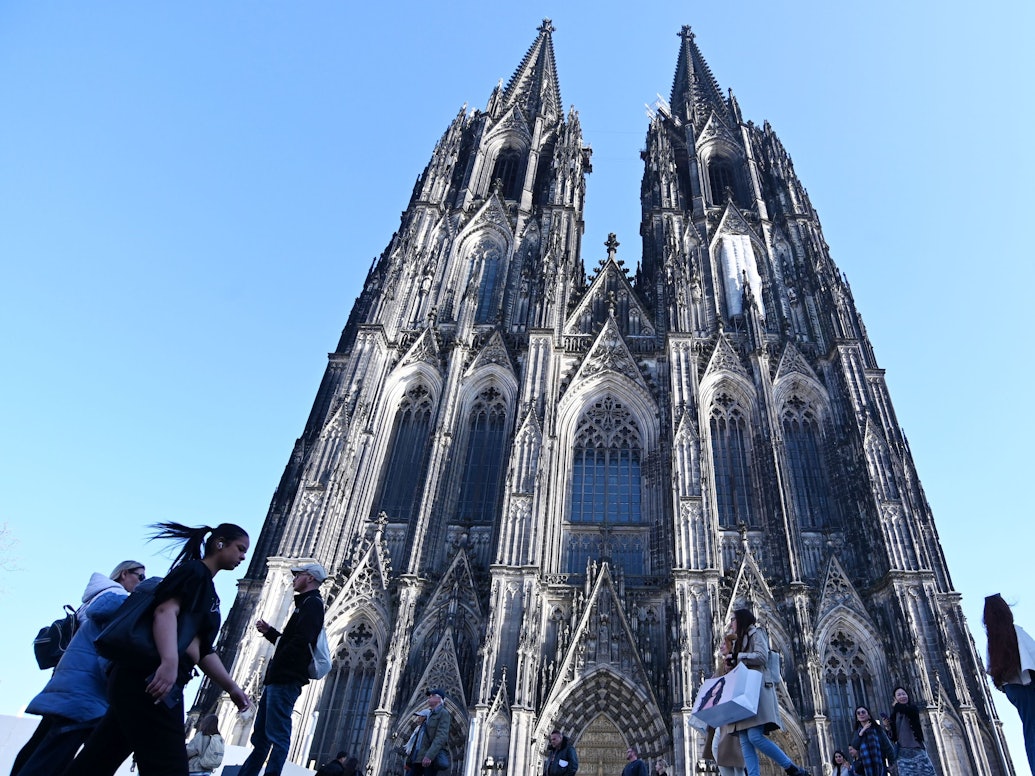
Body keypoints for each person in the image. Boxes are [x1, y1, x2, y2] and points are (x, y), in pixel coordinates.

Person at [64, 522, 251, 776]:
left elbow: (202, 650)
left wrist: (232, 688)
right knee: (169, 767)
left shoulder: (207, 588)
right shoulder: (194, 572)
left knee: (96, 762)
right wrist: (169, 662)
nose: (243, 556)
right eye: (240, 548)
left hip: (144, 679)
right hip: (152, 680)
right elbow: (165, 611)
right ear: (220, 543)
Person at [11, 560, 145, 776]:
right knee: (58, 750)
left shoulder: (94, 596)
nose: (140, 583)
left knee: (43, 743)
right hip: (85, 679)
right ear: (123, 574)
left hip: (70, 673)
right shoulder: (114, 596)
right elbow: (105, 639)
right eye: (140, 577)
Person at [238, 562, 327, 776]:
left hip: (286, 678)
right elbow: (292, 641)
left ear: (310, 578)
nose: (294, 578)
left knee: (277, 736)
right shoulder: (304, 603)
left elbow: (303, 640)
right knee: (260, 738)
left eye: (298, 574)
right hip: (277, 678)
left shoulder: (312, 603)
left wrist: (283, 661)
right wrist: (270, 633)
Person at [726, 608, 808, 776]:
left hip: (756, 690)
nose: (731, 623)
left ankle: (791, 768)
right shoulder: (738, 641)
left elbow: (762, 657)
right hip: (742, 692)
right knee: (744, 740)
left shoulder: (757, 633)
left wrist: (738, 657)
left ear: (741, 620)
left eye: (733, 619)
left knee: (754, 737)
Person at [984, 593, 1035, 774]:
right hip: (1028, 686)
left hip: (1012, 689)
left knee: (1030, 731)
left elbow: (993, 671)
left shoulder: (992, 642)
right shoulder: (1015, 631)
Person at [702, 632, 746, 776]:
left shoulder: (735, 662)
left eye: (723, 643)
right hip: (723, 715)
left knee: (735, 755)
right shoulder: (723, 663)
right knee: (718, 750)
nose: (720, 645)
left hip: (733, 714)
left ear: (731, 646)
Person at [888, 687, 936, 776]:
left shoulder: (912, 708)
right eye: (899, 695)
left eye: (904, 694)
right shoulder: (894, 715)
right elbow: (893, 737)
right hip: (903, 752)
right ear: (895, 698)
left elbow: (907, 710)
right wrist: (888, 726)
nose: (902, 696)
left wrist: (896, 705)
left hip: (917, 748)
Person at [407, 689, 452, 776]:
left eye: (431, 696)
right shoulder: (430, 714)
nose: (429, 698)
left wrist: (429, 756)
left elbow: (441, 737)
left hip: (429, 758)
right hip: (419, 758)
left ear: (438, 699)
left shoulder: (443, 714)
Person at [849, 706, 894, 776]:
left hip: (880, 764)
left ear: (869, 716)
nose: (861, 714)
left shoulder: (878, 730)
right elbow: (855, 745)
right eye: (858, 713)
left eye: (863, 712)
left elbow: (888, 747)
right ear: (857, 718)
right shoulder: (857, 732)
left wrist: (892, 763)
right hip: (864, 767)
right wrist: (862, 731)